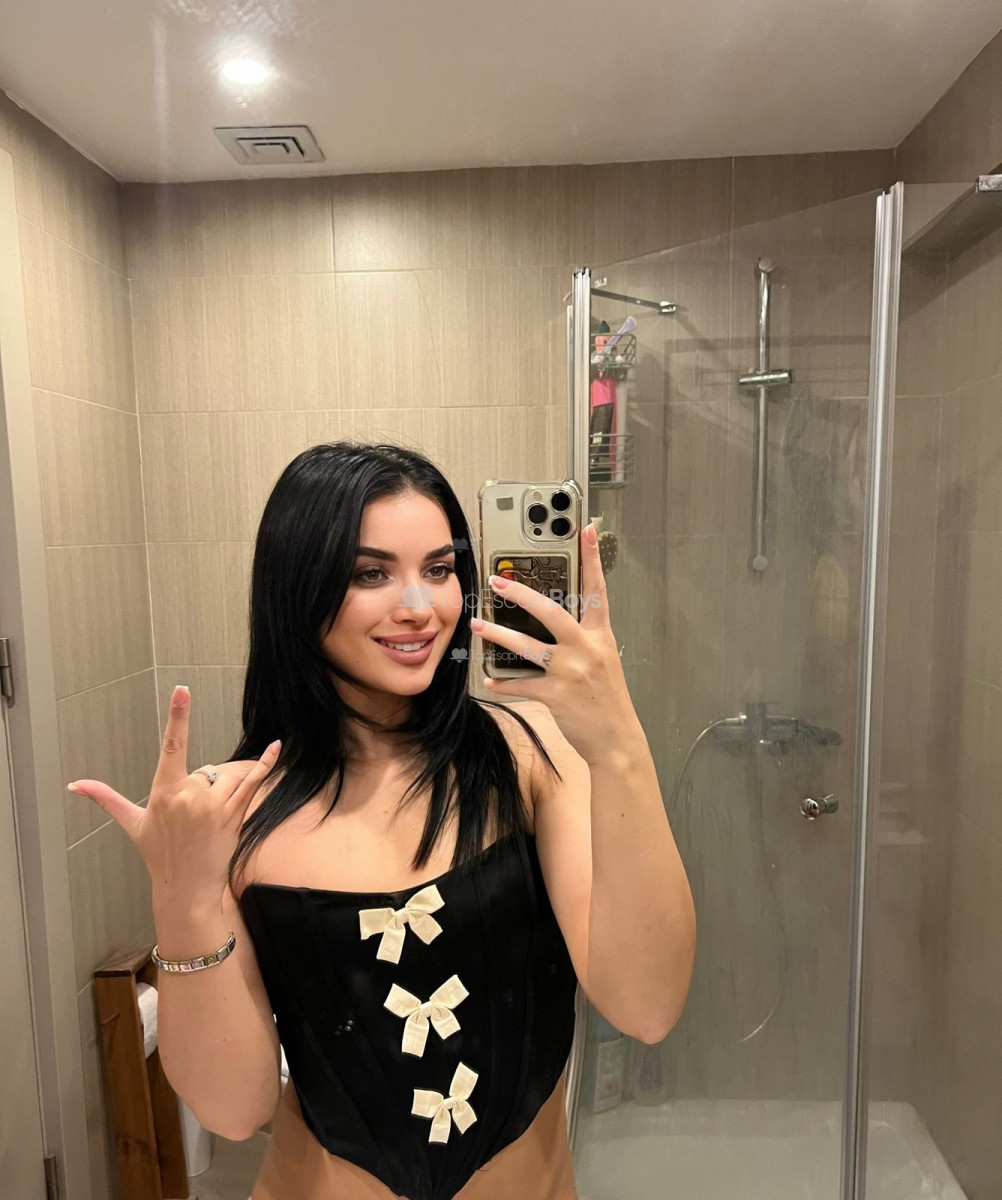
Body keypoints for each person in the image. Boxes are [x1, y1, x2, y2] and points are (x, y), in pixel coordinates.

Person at [69, 441, 696, 1200]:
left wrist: (619, 742)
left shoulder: (529, 758)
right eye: (371, 574)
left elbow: (646, 1008)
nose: (421, 607)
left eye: (440, 569)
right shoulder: (235, 814)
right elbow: (234, 1112)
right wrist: (181, 897)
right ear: (298, 590)